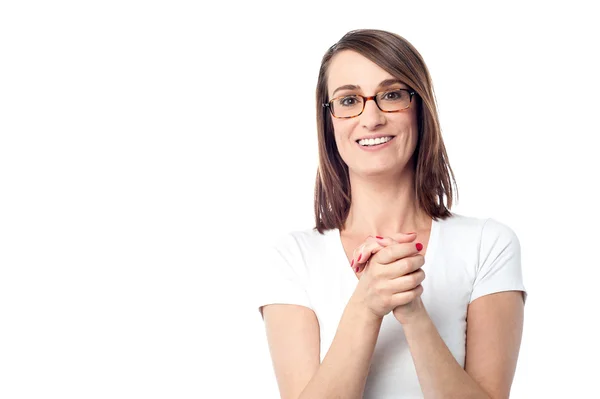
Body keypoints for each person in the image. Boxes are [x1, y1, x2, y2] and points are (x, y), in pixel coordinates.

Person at [256, 29, 527, 399]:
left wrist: (413, 312)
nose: (371, 118)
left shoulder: (488, 244)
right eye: (349, 100)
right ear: (329, 120)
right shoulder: (292, 257)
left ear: (419, 107)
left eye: (392, 95)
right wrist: (367, 304)